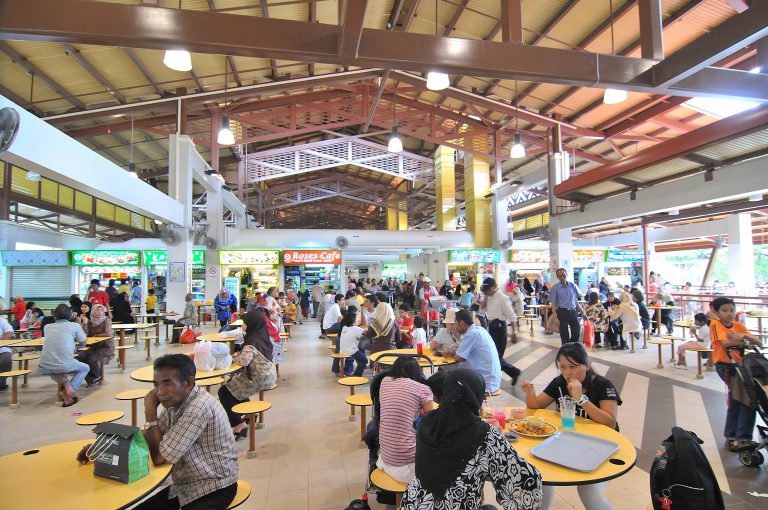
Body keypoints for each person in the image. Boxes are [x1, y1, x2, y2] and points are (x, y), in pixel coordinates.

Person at [77, 354, 240, 509]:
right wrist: (103, 447)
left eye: (167, 383)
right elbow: (147, 435)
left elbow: (159, 458)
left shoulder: (198, 407)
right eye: (156, 385)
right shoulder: (176, 401)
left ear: (188, 383)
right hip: (184, 485)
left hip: (214, 486)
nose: (160, 392)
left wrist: (150, 413)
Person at [401, 368, 542, 510]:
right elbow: (526, 481)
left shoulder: (426, 422)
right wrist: (495, 437)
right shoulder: (485, 436)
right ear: (477, 398)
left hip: (414, 503)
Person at [522, 343, 622, 510]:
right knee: (540, 475)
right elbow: (536, 406)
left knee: (589, 491)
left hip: (601, 446)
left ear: (587, 365)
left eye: (574, 367)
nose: (568, 372)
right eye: (563, 367)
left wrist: (581, 398)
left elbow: (610, 422)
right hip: (569, 441)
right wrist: (530, 393)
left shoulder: (603, 385)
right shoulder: (559, 382)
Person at [709, 297, 762, 452]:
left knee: (737, 400)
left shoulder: (738, 325)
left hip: (741, 366)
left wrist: (743, 337)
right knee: (747, 399)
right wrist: (743, 340)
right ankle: (741, 437)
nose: (729, 313)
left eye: (732, 310)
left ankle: (732, 435)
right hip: (726, 367)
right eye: (724, 310)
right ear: (716, 312)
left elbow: (757, 343)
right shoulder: (715, 324)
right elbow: (724, 343)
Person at [377, 357, 436, 483]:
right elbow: (432, 421)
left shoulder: (384, 381)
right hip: (406, 464)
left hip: (384, 457)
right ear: (417, 373)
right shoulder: (422, 389)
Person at [218, 312, 276, 439]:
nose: (243, 325)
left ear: (251, 324)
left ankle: (239, 424)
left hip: (259, 378)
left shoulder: (252, 341)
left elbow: (243, 361)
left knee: (224, 392)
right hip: (269, 374)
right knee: (233, 386)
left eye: (244, 323)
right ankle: (249, 414)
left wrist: (234, 357)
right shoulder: (262, 334)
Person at [38, 304, 88, 407]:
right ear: (70, 316)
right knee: (85, 368)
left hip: (43, 365)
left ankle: (65, 382)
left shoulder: (47, 327)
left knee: (51, 369)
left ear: (54, 316)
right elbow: (83, 342)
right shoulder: (75, 326)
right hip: (65, 364)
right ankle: (69, 390)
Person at [448, 309, 502, 393]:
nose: (455, 326)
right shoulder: (479, 329)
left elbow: (459, 358)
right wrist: (453, 353)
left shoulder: (471, 334)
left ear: (462, 323)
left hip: (484, 381)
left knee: (447, 380)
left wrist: (453, 354)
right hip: (490, 379)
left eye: (455, 323)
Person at [481, 278, 521, 386]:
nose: (486, 292)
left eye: (487, 290)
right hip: (491, 327)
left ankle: (511, 373)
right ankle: (514, 372)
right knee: (493, 355)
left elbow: (512, 316)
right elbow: (482, 308)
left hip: (499, 328)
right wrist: (485, 297)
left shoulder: (503, 298)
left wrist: (514, 333)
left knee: (495, 357)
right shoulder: (488, 296)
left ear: (494, 287)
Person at [76, 303, 115, 386]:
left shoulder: (106, 320)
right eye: (97, 310)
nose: (99, 312)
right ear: (92, 311)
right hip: (93, 346)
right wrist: (85, 323)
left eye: (101, 310)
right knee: (79, 357)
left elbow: (109, 333)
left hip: (106, 346)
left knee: (91, 359)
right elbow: (85, 334)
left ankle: (97, 376)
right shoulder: (90, 321)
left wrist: (96, 335)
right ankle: (92, 378)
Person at [549, 268, 584, 344]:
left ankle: (571, 346)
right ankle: (566, 349)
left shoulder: (572, 286)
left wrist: (582, 312)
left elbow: (575, 301)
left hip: (573, 311)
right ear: (557, 277)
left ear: (566, 275)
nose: (562, 277)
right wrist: (555, 317)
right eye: (560, 276)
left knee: (577, 332)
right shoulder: (555, 288)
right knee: (564, 334)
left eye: (564, 275)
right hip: (562, 312)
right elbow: (553, 304)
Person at [338, 308, 368, 377]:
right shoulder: (356, 329)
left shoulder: (344, 327)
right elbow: (366, 333)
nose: (358, 320)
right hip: (351, 351)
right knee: (364, 360)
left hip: (343, 350)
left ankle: (348, 371)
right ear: (352, 321)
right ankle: (357, 376)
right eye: (356, 319)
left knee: (355, 356)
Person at [0, 316, 15, 391]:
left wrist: (2, 339)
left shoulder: (1, 320)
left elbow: (9, 332)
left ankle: (1, 382)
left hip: (2, 348)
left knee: (6, 358)